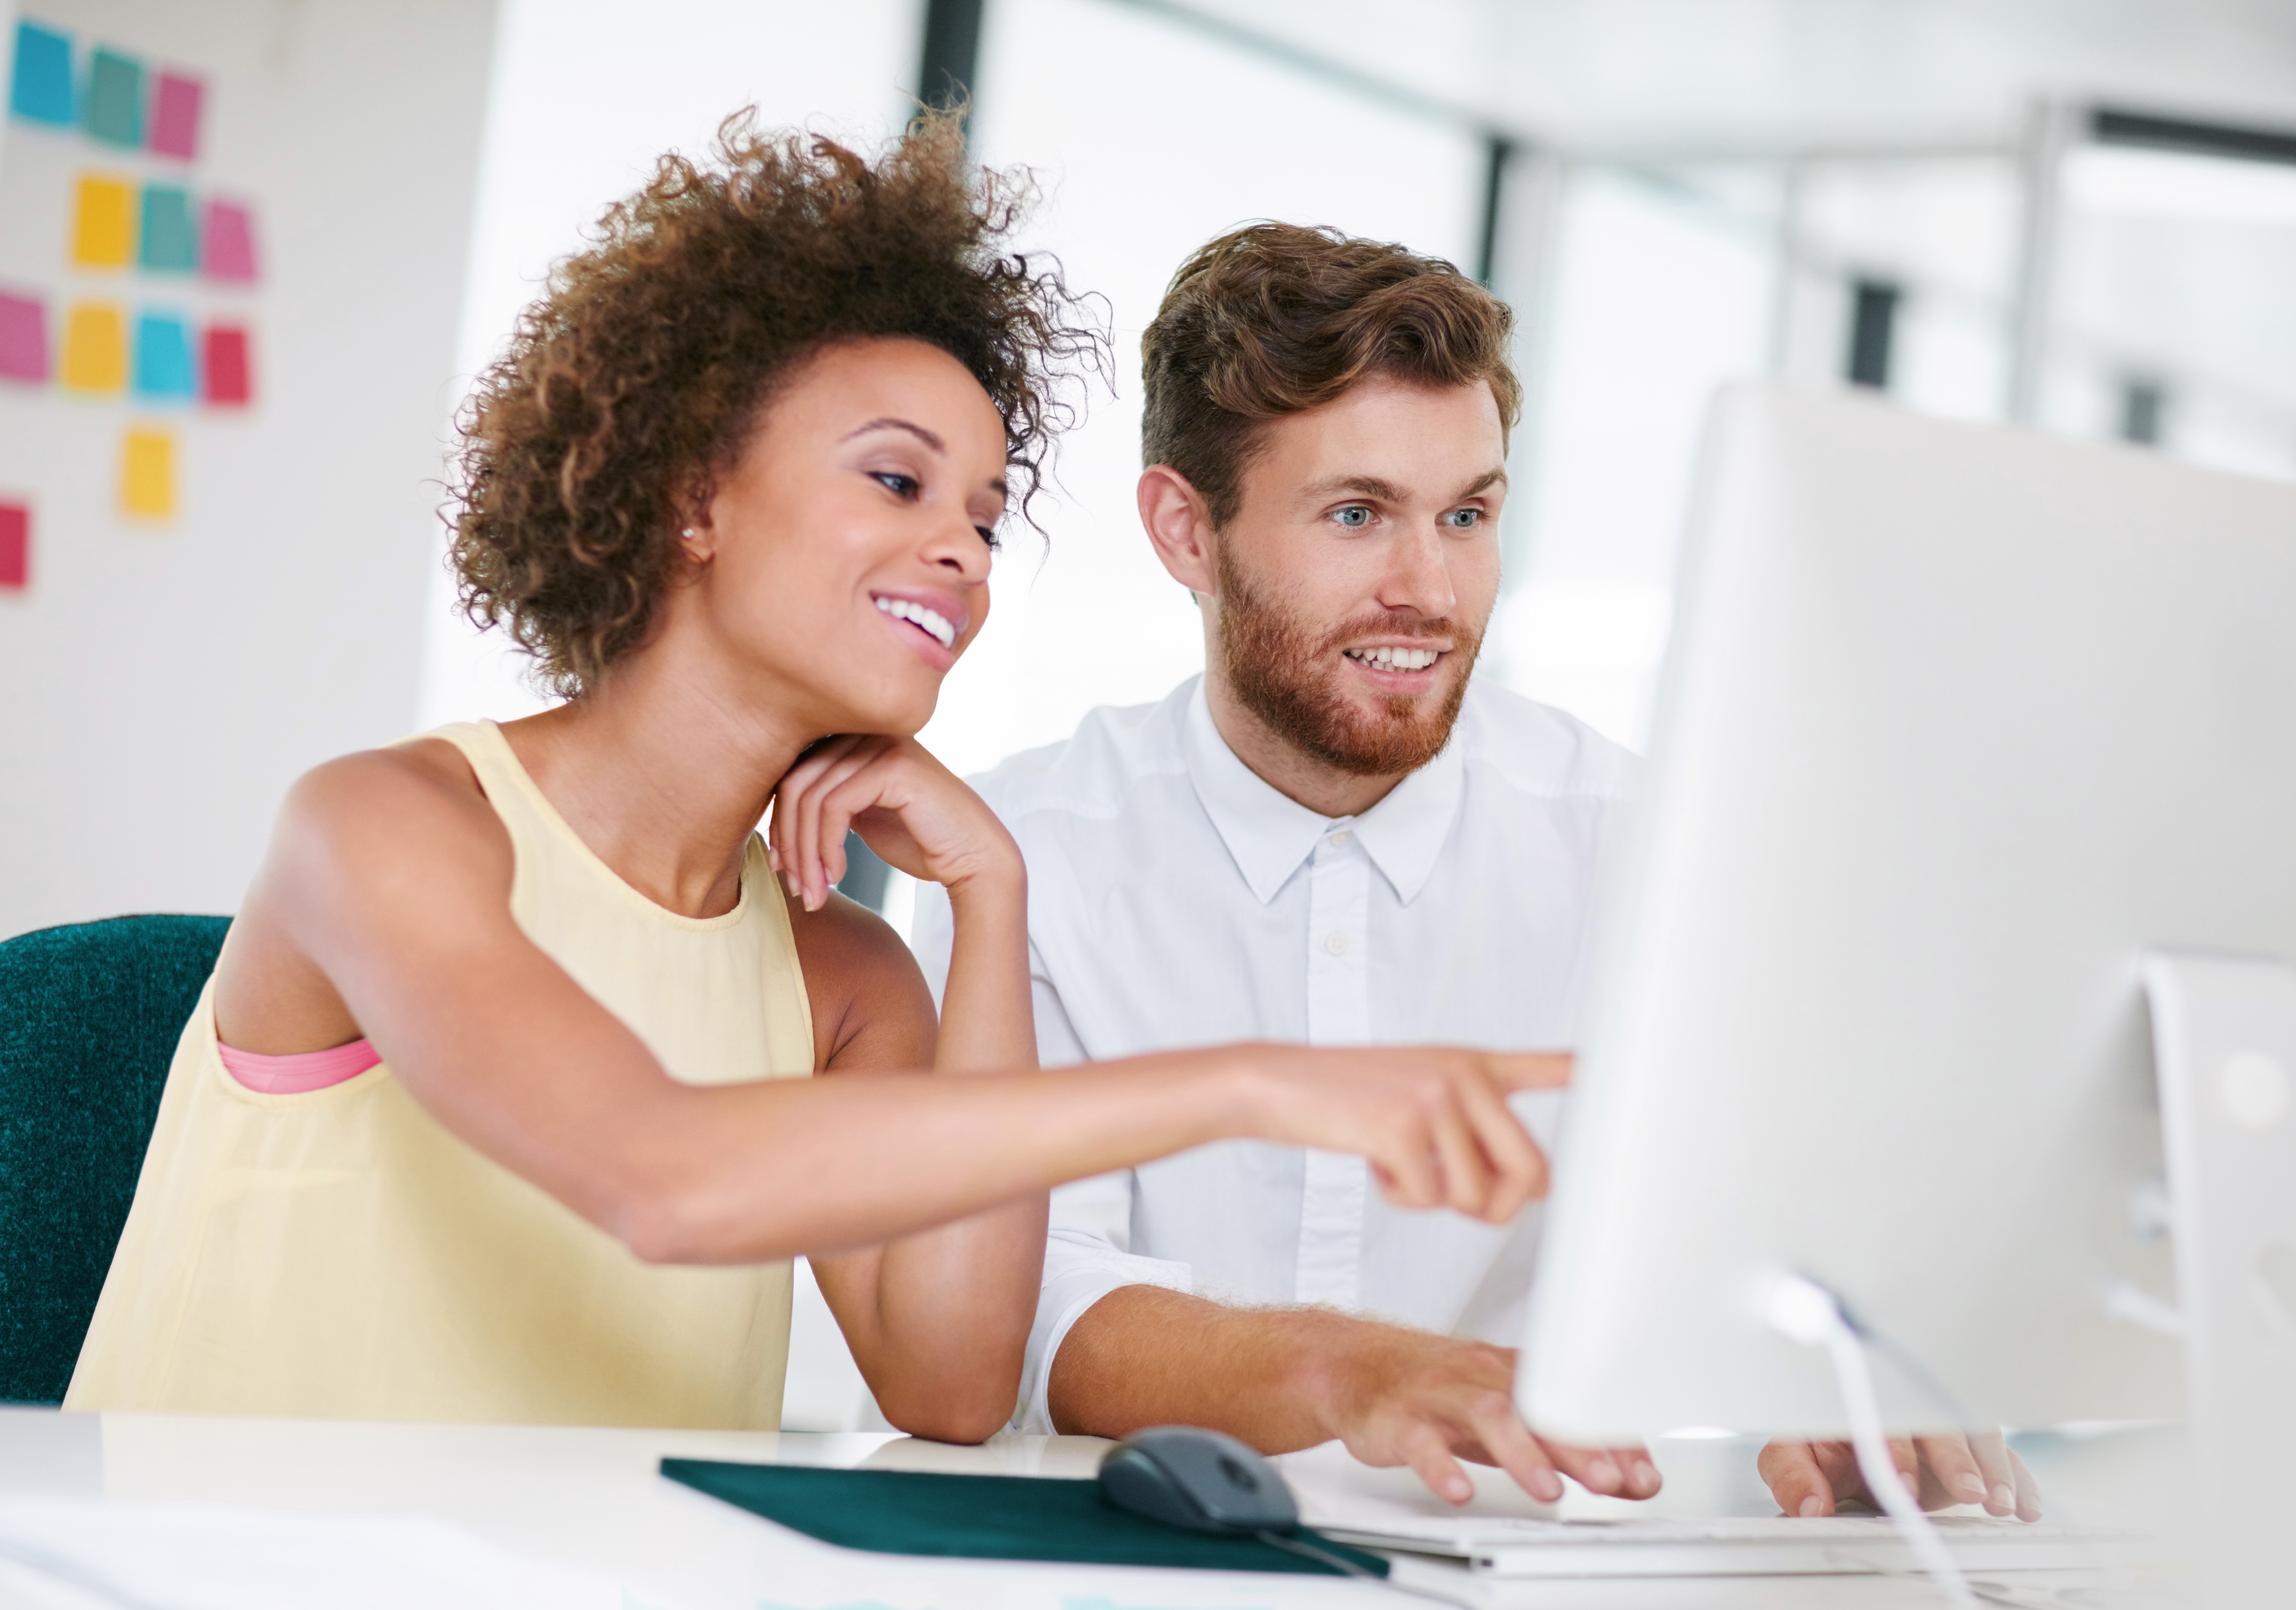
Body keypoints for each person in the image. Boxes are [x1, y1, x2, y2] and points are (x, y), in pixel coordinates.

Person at [64, 119, 1554, 1436]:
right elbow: (665, 1178)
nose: (965, 547)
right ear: (697, 491)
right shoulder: (382, 828)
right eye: (898, 482)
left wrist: (993, 892)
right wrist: (1258, 1083)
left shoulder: (844, 978)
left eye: (986, 507)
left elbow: (953, 1385)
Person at [907, 225, 2038, 1521]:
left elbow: (1782, 1224)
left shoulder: (1639, 847)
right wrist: (1359, 1372)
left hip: (1519, 1564)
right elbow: (1039, 1307)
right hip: (1124, 1562)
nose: (1428, 590)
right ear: (1184, 532)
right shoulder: (1029, 853)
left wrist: (1835, 1383)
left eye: (1467, 515)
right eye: (1355, 514)